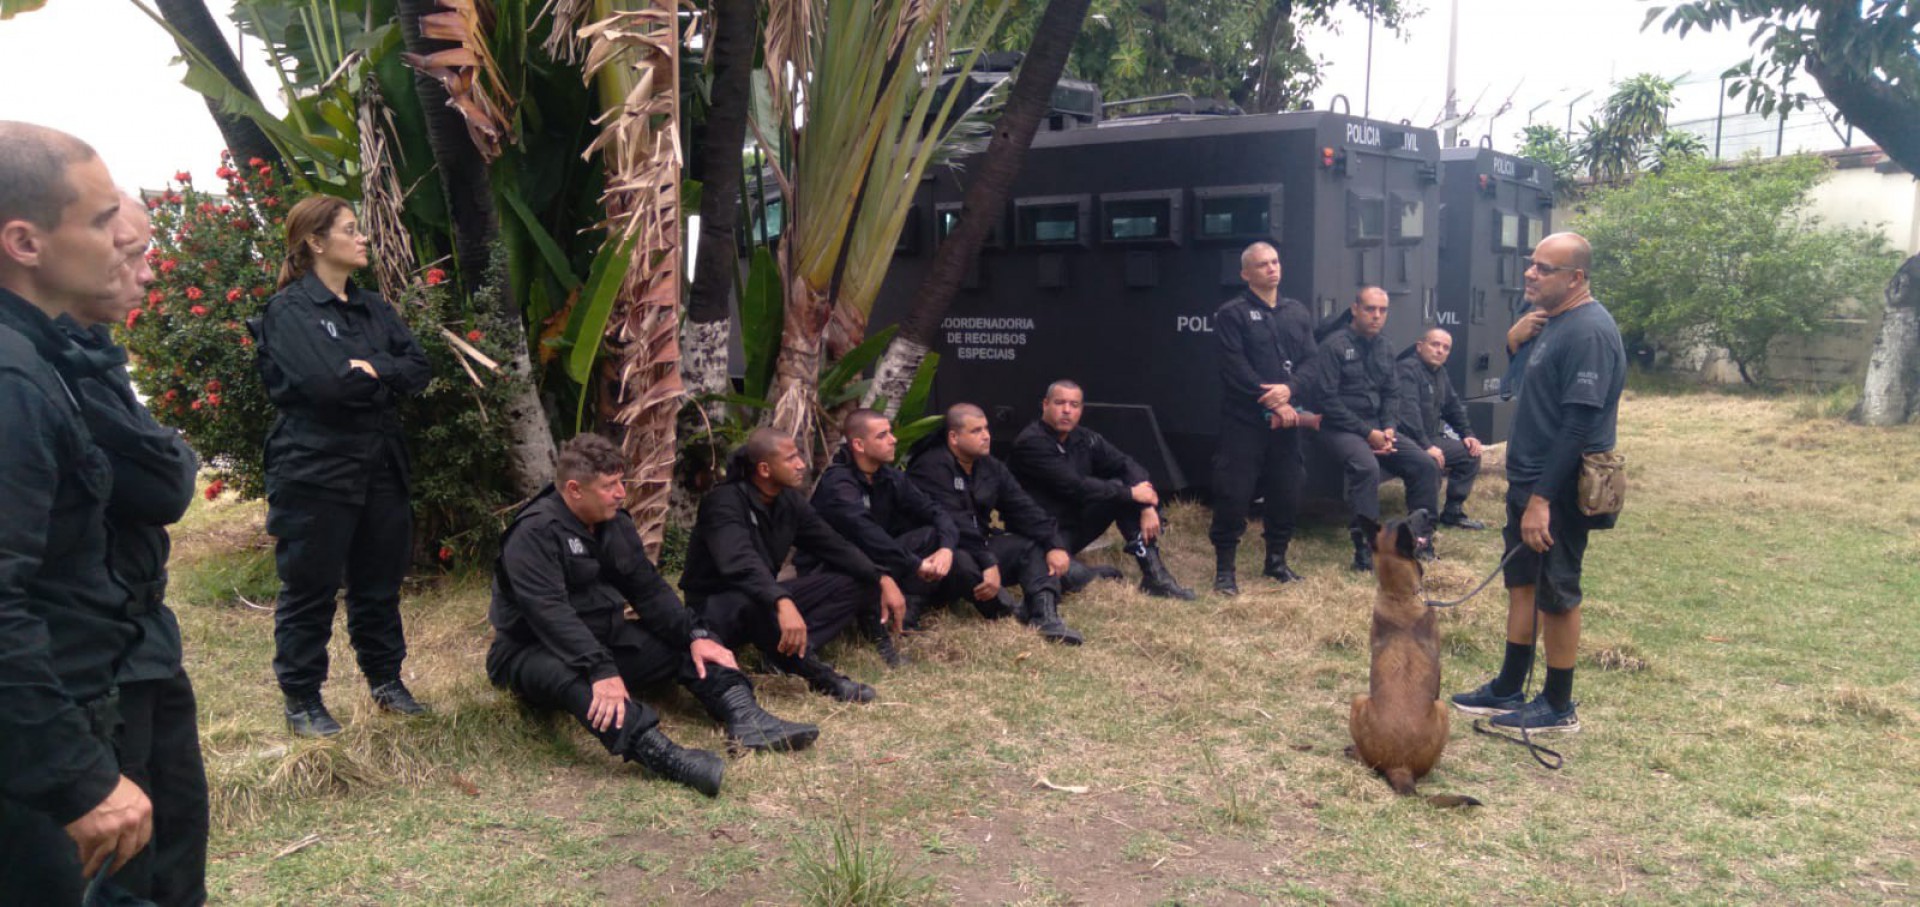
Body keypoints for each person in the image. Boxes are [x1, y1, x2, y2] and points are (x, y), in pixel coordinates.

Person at [0, 121, 152, 904]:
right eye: (98, 220)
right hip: (32, 751)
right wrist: (78, 779)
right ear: (25, 242)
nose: (120, 236)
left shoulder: (41, 355)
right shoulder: (12, 381)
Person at [487, 436, 812, 797]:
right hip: (530, 649)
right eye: (609, 486)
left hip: (603, 637)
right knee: (577, 681)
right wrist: (601, 669)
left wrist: (694, 635)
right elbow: (549, 613)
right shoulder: (534, 531)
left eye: (620, 482)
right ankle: (663, 754)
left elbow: (647, 590)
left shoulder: (611, 522)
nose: (621, 493)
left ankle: (747, 718)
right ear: (575, 490)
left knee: (694, 643)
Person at [55, 194, 209, 904]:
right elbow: (164, 481)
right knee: (119, 872)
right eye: (131, 251)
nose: (148, 272)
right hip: (87, 665)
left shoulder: (93, 354)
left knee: (175, 845)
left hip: (144, 639)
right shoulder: (40, 373)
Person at [253, 196, 432, 737]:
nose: (363, 239)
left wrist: (368, 366)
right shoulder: (290, 312)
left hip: (380, 464)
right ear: (315, 241)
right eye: (351, 230)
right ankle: (302, 699)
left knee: (378, 582)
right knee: (309, 588)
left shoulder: (373, 308)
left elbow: (418, 368)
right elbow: (325, 385)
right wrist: (377, 375)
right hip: (314, 470)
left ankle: (385, 680)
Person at [1451, 233, 1625, 733]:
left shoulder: (1589, 330)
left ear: (1576, 279)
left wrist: (1542, 501)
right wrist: (1514, 343)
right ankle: (1508, 685)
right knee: (1522, 582)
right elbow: (1522, 392)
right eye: (1531, 264)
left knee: (1558, 590)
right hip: (1528, 479)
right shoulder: (1552, 322)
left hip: (1560, 488)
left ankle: (1558, 703)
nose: (1530, 273)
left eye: (1544, 269)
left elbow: (1577, 425)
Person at [680, 428, 902, 703]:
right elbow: (739, 563)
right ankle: (820, 676)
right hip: (716, 608)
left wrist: (881, 577)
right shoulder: (723, 501)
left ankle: (784, 653)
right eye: (791, 458)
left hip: (765, 596)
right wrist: (781, 601)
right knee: (754, 602)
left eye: (798, 456)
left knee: (855, 580)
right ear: (764, 468)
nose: (801, 464)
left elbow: (834, 545)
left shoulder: (788, 501)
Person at [908, 404, 1081, 645]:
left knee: (1032, 546)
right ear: (954, 437)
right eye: (976, 431)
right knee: (965, 562)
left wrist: (1054, 544)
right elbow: (953, 522)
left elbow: (1024, 508)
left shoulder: (990, 466)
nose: (986, 436)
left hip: (981, 543)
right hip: (944, 553)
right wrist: (988, 562)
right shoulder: (931, 466)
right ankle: (1010, 611)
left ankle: (1046, 616)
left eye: (986, 428)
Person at [1007, 380, 1194, 600]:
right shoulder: (1030, 443)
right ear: (1045, 404)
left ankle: (1156, 578)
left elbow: (1125, 463)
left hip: (1073, 525)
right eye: (1060, 403)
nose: (1067, 410)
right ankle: (1091, 574)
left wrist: (1145, 505)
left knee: (1121, 488)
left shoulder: (1084, 438)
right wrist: (1132, 494)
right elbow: (1074, 486)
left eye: (1074, 405)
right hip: (1041, 533)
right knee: (1067, 578)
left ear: (1081, 409)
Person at [1300, 286, 1440, 572]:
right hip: (1337, 428)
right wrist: (1368, 433)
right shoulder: (1333, 346)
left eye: (1382, 310)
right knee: (1367, 468)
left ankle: (1419, 541)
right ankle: (1366, 551)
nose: (1376, 316)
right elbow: (1327, 401)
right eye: (1370, 309)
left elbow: (1392, 392)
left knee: (1425, 464)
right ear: (1355, 309)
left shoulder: (1385, 346)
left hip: (1378, 427)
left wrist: (1388, 427)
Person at [1208, 242, 1318, 595]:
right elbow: (1234, 367)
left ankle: (1276, 562)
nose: (1271, 268)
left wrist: (1291, 389)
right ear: (1246, 274)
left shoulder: (1297, 311)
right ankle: (1225, 570)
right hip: (1244, 422)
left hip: (1286, 424)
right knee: (1233, 493)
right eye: (1262, 264)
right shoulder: (1232, 313)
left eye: (1274, 262)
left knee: (1286, 489)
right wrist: (1272, 400)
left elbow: (1312, 362)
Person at [806, 408, 962, 656]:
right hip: (836, 563)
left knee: (931, 535)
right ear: (858, 444)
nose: (894, 440)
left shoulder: (888, 477)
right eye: (882, 435)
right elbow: (864, 534)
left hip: (878, 555)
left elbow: (935, 511)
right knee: (869, 560)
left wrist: (946, 549)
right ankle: (874, 632)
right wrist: (913, 564)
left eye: (891, 433)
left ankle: (906, 617)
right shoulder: (838, 484)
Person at [1395, 327, 1487, 530]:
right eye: (1435, 344)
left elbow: (1452, 407)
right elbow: (1407, 416)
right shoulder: (1406, 370)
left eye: (1446, 348)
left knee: (1470, 455)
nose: (1440, 351)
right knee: (1430, 462)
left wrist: (1468, 434)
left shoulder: (1440, 372)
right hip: (1405, 440)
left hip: (1428, 438)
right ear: (1420, 347)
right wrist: (1426, 446)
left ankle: (1453, 513)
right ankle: (1423, 524)